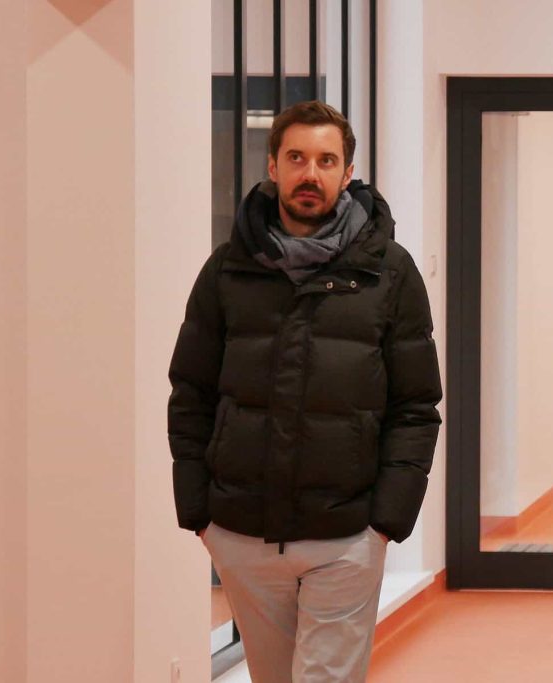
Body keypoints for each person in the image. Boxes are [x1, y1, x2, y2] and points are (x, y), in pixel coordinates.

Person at [168, 101, 442, 682]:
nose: (310, 173)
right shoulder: (226, 271)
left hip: (346, 536)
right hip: (241, 532)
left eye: (326, 160)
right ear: (273, 166)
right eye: (296, 158)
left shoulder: (390, 273)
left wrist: (385, 522)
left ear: (347, 173)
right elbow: (191, 393)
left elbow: (416, 407)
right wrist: (199, 513)